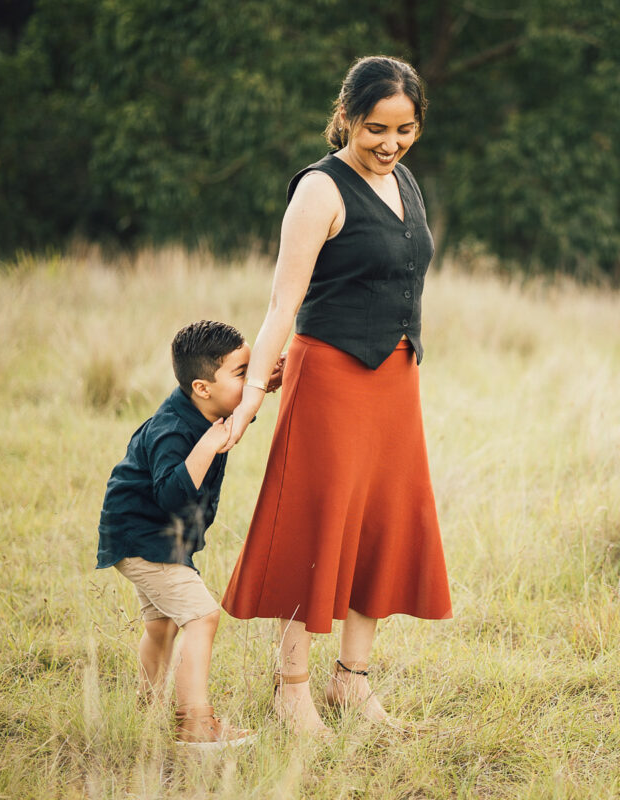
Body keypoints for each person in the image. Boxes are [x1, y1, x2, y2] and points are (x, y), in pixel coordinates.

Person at [219, 55, 453, 737]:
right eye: (377, 128)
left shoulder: (405, 179)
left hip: (396, 378)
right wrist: (252, 394)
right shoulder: (320, 191)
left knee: (380, 524)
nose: (391, 143)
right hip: (329, 380)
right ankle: (291, 688)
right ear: (347, 116)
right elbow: (280, 307)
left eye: (405, 129)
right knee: (316, 524)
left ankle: (353, 683)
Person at [96, 320, 279, 750]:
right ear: (202, 387)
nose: (250, 378)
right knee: (202, 616)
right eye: (242, 372)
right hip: (144, 537)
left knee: (161, 626)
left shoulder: (205, 407)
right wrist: (204, 447)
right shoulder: (174, 431)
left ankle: (142, 713)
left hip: (148, 536)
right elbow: (171, 495)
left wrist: (261, 385)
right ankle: (194, 724)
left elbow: (234, 414)